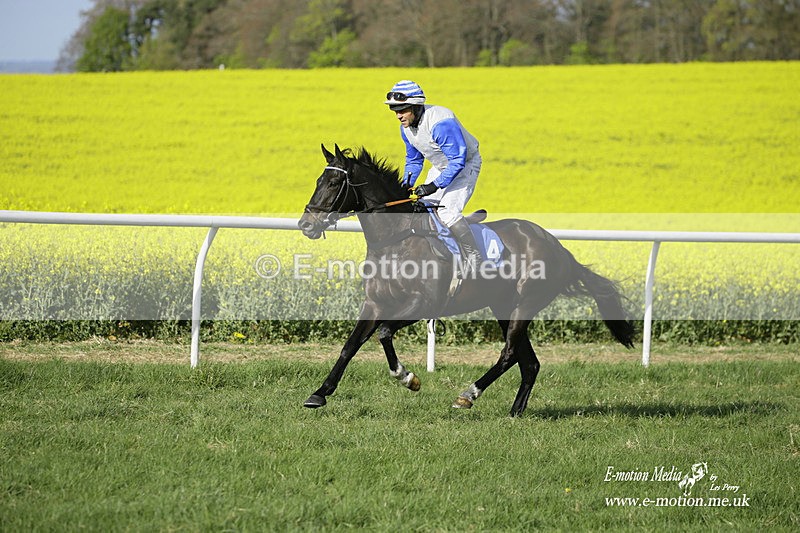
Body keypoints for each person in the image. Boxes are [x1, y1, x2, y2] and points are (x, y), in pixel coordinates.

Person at [384, 80, 482, 275]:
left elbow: (457, 161)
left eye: (402, 110)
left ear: (416, 106)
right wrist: (405, 185)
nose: (398, 115)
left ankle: (474, 257)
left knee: (447, 213)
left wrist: (433, 186)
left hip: (465, 165)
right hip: (441, 166)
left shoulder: (440, 123)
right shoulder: (406, 129)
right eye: (395, 111)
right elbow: (413, 160)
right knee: (422, 209)